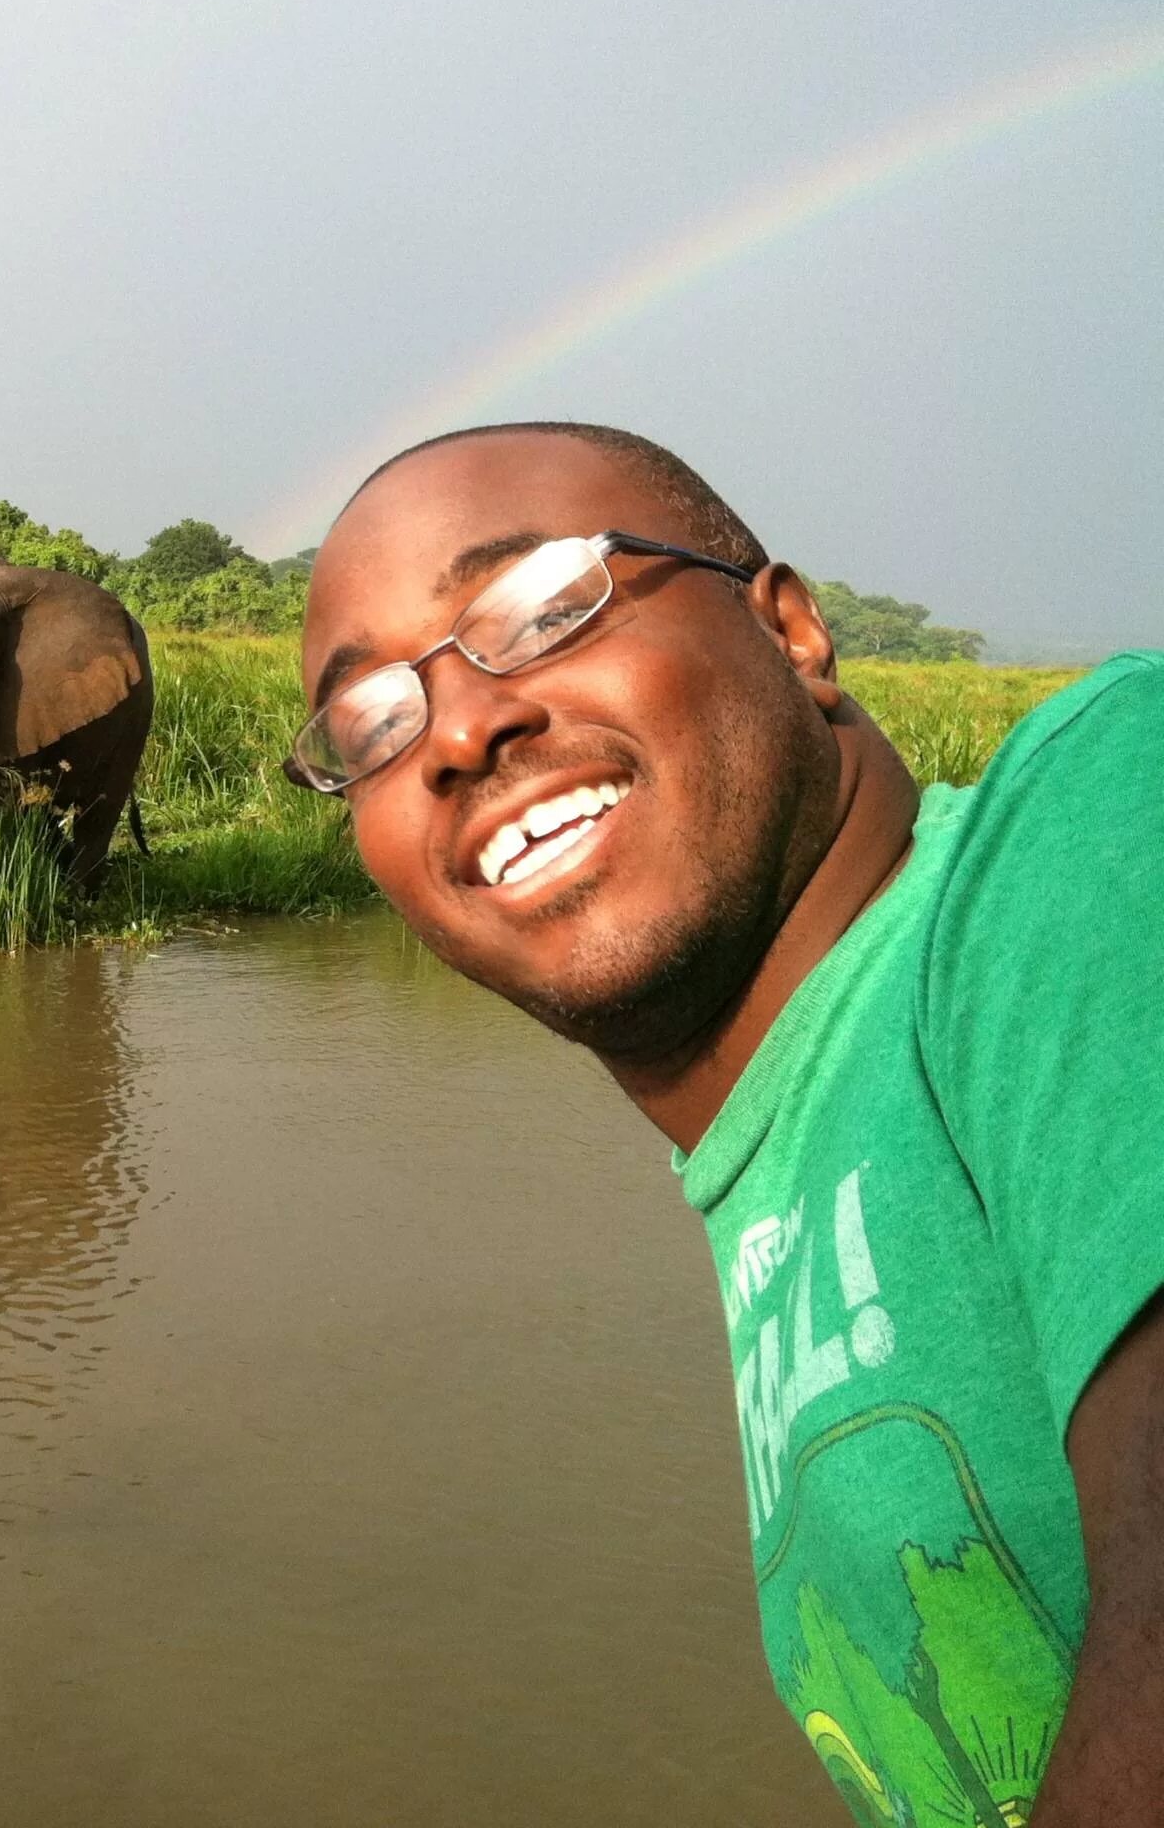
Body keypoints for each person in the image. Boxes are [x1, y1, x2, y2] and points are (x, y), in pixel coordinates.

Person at [290, 421, 1163, 1826]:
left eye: (542, 608)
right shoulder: (770, 1175)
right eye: (370, 724)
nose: (457, 730)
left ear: (795, 634)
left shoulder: (1102, 802)